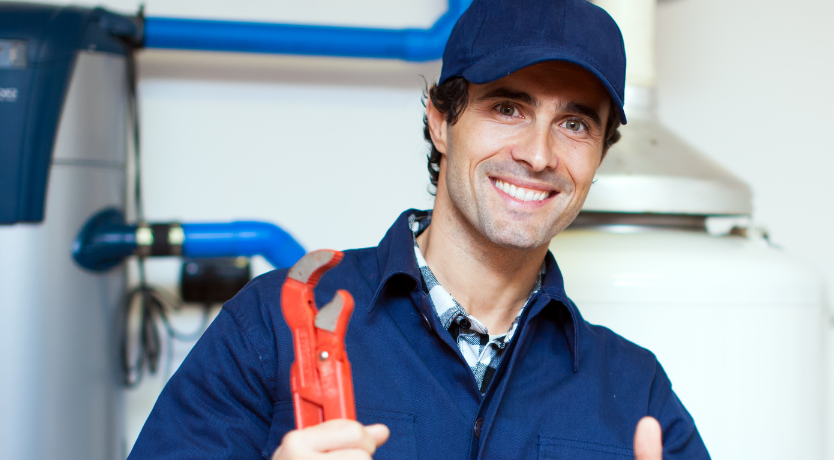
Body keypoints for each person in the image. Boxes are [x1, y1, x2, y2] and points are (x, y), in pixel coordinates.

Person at [129, 0, 709, 459]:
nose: (538, 154)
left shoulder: (638, 393)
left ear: (600, 155)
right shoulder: (273, 328)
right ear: (440, 120)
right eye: (507, 108)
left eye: (575, 123)